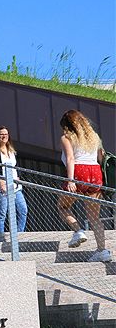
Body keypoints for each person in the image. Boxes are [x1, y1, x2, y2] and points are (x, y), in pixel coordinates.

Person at [57, 109, 110, 262]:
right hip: (95, 173)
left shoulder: (67, 137)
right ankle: (102, 251)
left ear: (67, 125)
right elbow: (101, 157)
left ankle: (78, 230)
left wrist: (71, 180)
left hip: (79, 172)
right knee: (95, 218)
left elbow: (70, 158)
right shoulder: (94, 137)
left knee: (63, 206)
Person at [0, 126, 27, 234]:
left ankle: (18, 235)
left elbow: (15, 166)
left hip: (14, 186)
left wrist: (18, 177)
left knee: (23, 210)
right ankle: (0, 237)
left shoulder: (11, 150)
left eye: (6, 134)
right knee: (2, 213)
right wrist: (0, 181)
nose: (4, 136)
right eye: (1, 134)